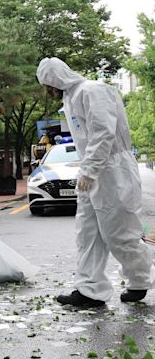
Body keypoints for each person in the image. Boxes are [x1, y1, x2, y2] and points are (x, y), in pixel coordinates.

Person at [36, 57, 155, 307]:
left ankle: (139, 280)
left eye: (48, 84)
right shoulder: (71, 98)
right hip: (92, 171)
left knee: (119, 232)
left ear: (56, 78)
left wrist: (89, 170)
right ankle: (89, 289)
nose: (47, 91)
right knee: (87, 232)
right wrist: (87, 171)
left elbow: (103, 131)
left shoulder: (92, 90)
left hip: (113, 171)